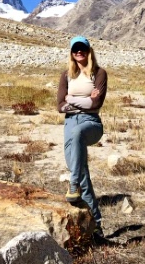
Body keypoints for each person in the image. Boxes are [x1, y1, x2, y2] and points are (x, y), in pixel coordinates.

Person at [57, 36, 107, 236]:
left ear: (89, 51)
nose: (79, 52)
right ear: (71, 53)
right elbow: (60, 105)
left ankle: (73, 183)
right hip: (70, 123)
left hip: (91, 123)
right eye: (75, 49)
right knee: (81, 170)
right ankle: (96, 226)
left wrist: (72, 99)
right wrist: (83, 99)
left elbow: (95, 105)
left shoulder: (99, 73)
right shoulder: (66, 75)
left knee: (77, 172)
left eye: (83, 49)